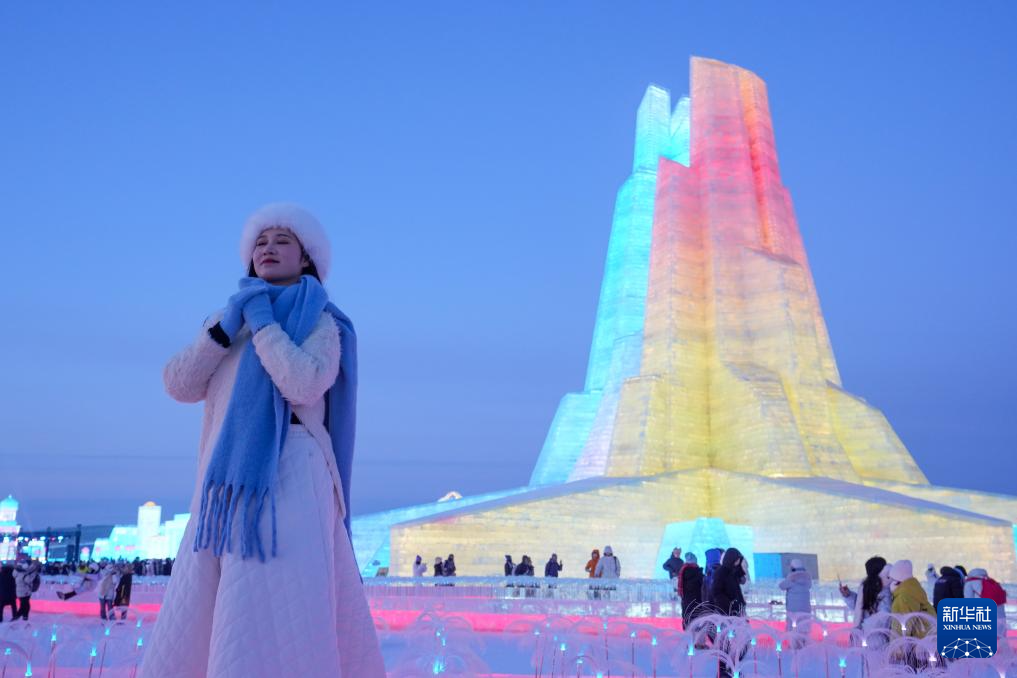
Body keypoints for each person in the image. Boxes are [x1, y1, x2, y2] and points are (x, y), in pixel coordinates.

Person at [140, 204, 385, 677]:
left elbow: (305, 384)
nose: (267, 249)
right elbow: (179, 385)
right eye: (260, 242)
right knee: (218, 607)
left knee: (287, 598)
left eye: (281, 241)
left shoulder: (322, 322)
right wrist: (222, 331)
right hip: (227, 481)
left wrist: (265, 323)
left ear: (307, 258)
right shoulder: (225, 320)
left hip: (295, 473)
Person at [839, 556, 892, 646]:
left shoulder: (885, 590)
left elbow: (884, 616)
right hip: (865, 639)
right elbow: (860, 609)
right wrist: (848, 595)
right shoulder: (866, 587)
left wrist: (864, 628)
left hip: (878, 639)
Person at [964, 567, 1008, 636]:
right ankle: (1002, 645)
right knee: (1000, 635)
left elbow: (968, 600)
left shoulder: (970, 582)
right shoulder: (993, 582)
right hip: (1000, 613)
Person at [711, 547, 747, 617]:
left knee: (741, 627)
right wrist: (728, 605)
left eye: (739, 559)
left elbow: (743, 581)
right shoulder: (721, 572)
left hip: (738, 607)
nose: (738, 561)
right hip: (727, 610)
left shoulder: (734, 571)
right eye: (737, 559)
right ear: (731, 558)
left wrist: (739, 569)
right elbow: (716, 592)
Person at [778, 559, 812, 631]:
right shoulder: (807, 577)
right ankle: (803, 641)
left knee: (791, 629)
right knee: (804, 628)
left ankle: (793, 641)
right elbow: (809, 586)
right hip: (805, 608)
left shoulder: (792, 577)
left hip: (793, 609)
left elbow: (781, 586)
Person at [677, 552, 704, 629]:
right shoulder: (698, 573)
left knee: (687, 617)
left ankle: (687, 634)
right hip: (697, 601)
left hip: (686, 601)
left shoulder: (683, 572)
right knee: (696, 618)